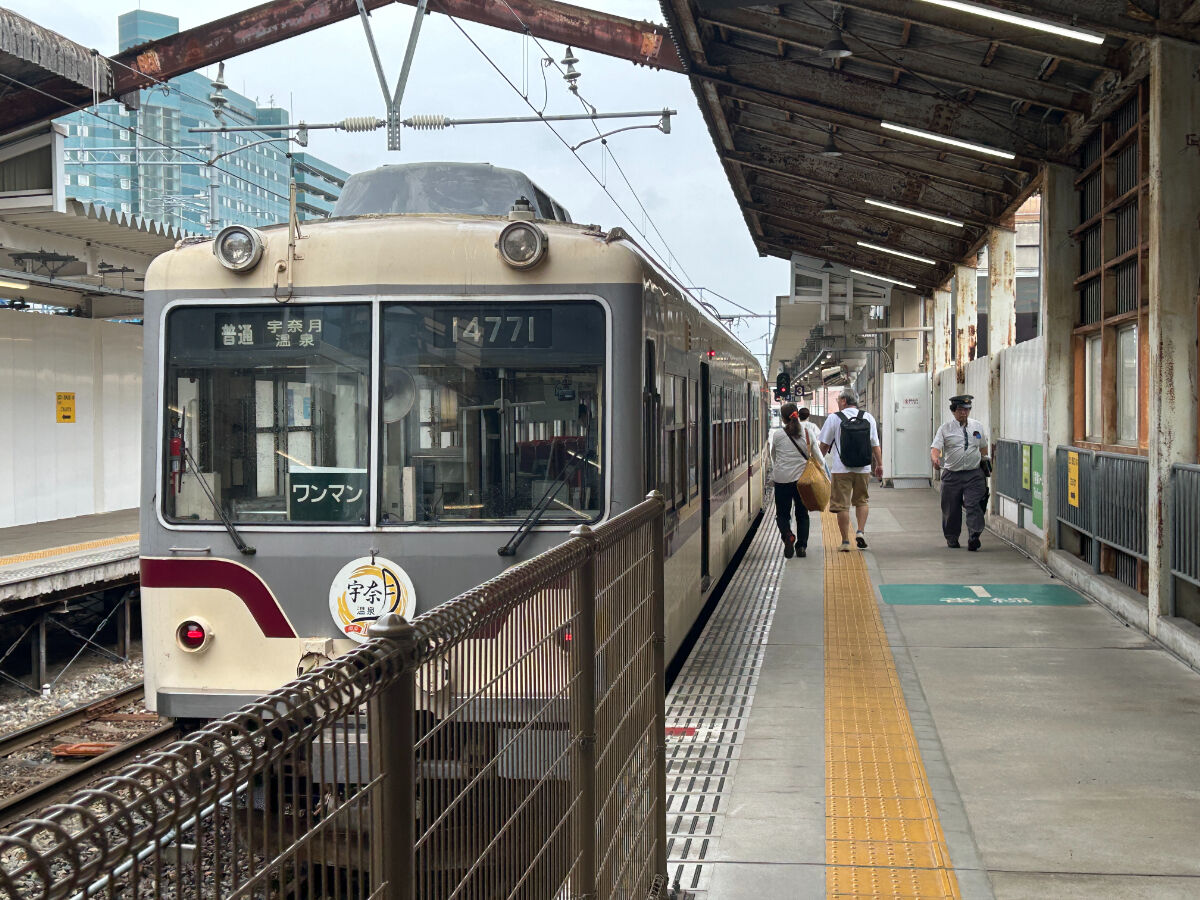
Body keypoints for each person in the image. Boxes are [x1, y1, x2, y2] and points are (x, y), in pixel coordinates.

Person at [819, 388, 883, 553]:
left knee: (842, 506)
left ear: (843, 401)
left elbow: (824, 445)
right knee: (862, 501)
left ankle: (846, 541)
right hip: (863, 468)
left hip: (841, 468)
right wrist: (879, 465)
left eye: (838, 400)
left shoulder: (834, 418)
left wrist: (817, 464)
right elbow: (875, 444)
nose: (837, 403)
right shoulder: (868, 417)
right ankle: (860, 532)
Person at [930, 394, 990, 550]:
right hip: (952, 475)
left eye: (967, 409)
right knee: (951, 509)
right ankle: (952, 538)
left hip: (974, 474)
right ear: (953, 411)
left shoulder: (977, 426)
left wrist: (985, 462)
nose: (964, 413)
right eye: (960, 410)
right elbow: (935, 448)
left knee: (974, 505)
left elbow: (983, 447)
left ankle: (974, 536)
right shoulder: (945, 429)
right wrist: (935, 459)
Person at [768, 402, 825, 558]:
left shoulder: (778, 434)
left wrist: (780, 469)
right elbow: (819, 458)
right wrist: (822, 472)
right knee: (802, 514)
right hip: (803, 481)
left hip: (782, 480)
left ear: (783, 418)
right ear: (797, 415)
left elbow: (773, 457)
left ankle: (788, 535)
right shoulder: (807, 432)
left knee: (782, 514)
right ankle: (801, 547)